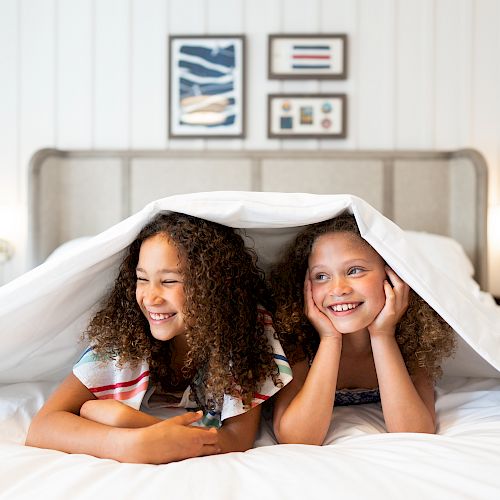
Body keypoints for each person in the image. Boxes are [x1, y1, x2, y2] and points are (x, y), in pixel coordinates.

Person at [26, 212, 291, 463]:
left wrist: (132, 421)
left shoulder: (245, 329)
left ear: (213, 286)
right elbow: (42, 427)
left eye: (169, 282)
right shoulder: (128, 331)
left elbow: (236, 438)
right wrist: (130, 444)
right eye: (142, 279)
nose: (150, 298)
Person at [270, 212, 455, 445]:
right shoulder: (298, 343)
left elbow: (413, 433)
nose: (338, 289)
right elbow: (297, 438)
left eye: (355, 270)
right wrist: (329, 339)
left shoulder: (413, 341)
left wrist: (383, 335)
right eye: (321, 276)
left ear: (393, 276)